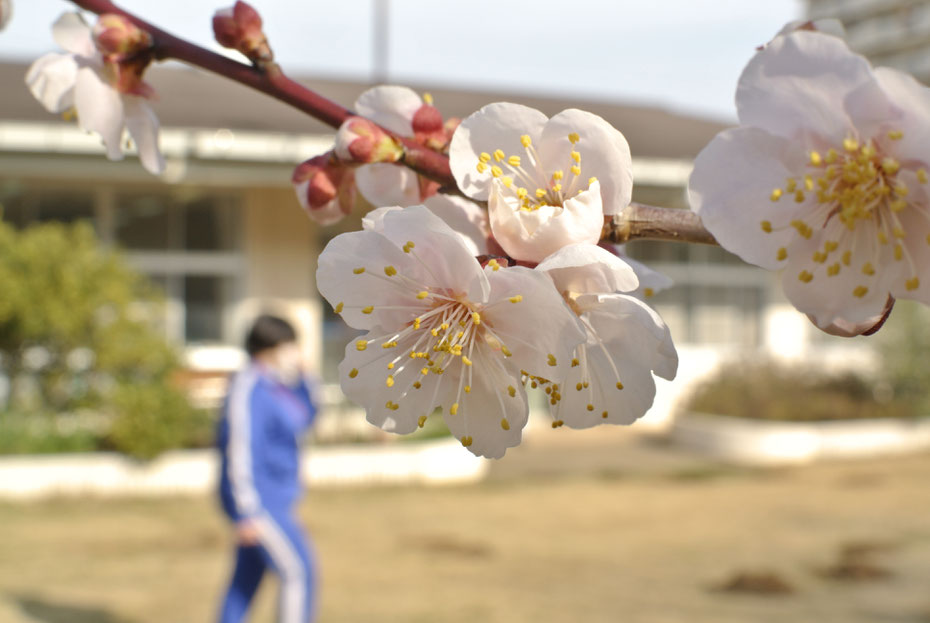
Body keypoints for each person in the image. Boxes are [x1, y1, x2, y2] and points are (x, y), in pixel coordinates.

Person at [216, 314, 318, 623]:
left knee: (245, 582)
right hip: (258, 500)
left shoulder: (278, 386)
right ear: (270, 346)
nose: (293, 351)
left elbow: (308, 416)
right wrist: (246, 511)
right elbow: (240, 448)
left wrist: (305, 376)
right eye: (289, 345)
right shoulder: (248, 385)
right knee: (300, 572)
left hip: (279, 498)